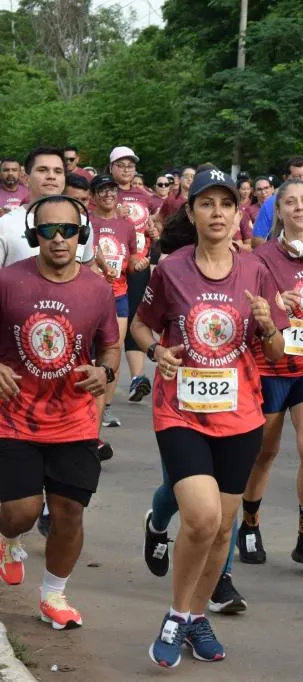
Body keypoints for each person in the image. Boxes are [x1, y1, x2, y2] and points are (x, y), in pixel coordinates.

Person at [132, 169, 288, 668]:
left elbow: (279, 350)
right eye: (207, 204)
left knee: (222, 529)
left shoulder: (258, 270)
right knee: (201, 517)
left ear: (238, 213)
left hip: (241, 414)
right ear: (192, 212)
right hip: (179, 410)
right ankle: (177, 615)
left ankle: (198, 615)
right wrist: (157, 351)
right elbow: (140, 326)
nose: (218, 212)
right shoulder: (172, 269)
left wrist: (267, 327)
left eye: (226, 204)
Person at [0, 194, 120, 629]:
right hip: (14, 417)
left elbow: (110, 345)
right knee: (20, 513)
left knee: (69, 512)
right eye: (48, 230)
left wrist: (105, 372)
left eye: (68, 230)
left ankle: (53, 595)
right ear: (34, 235)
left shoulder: (97, 289)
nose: (58, 238)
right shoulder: (8, 281)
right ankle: (8, 539)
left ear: (81, 235)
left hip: (75, 419)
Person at [236, 179, 303, 570]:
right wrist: (275, 305)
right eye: (290, 202)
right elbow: (246, 305)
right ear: (278, 211)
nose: (299, 208)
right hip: (271, 363)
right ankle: (249, 525)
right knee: (264, 451)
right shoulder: (260, 257)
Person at [90, 174, 147, 429]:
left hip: (119, 295)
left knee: (112, 351)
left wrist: (139, 264)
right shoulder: (88, 223)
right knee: (89, 354)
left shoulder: (126, 225)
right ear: (94, 196)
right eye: (102, 190)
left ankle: (107, 408)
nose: (108, 194)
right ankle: (84, 407)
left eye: (112, 190)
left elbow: (133, 259)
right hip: (90, 296)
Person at [108, 146, 164, 404]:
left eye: (130, 165)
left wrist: (154, 232)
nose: (126, 169)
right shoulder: (105, 193)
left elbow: (156, 225)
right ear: (111, 168)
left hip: (139, 265)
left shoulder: (145, 196)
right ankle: (103, 374)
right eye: (121, 165)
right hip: (111, 266)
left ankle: (137, 378)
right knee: (107, 319)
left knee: (134, 316)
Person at [252, 157, 303, 243]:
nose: (302, 181)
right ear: (285, 178)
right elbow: (257, 240)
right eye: (297, 177)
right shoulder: (270, 203)